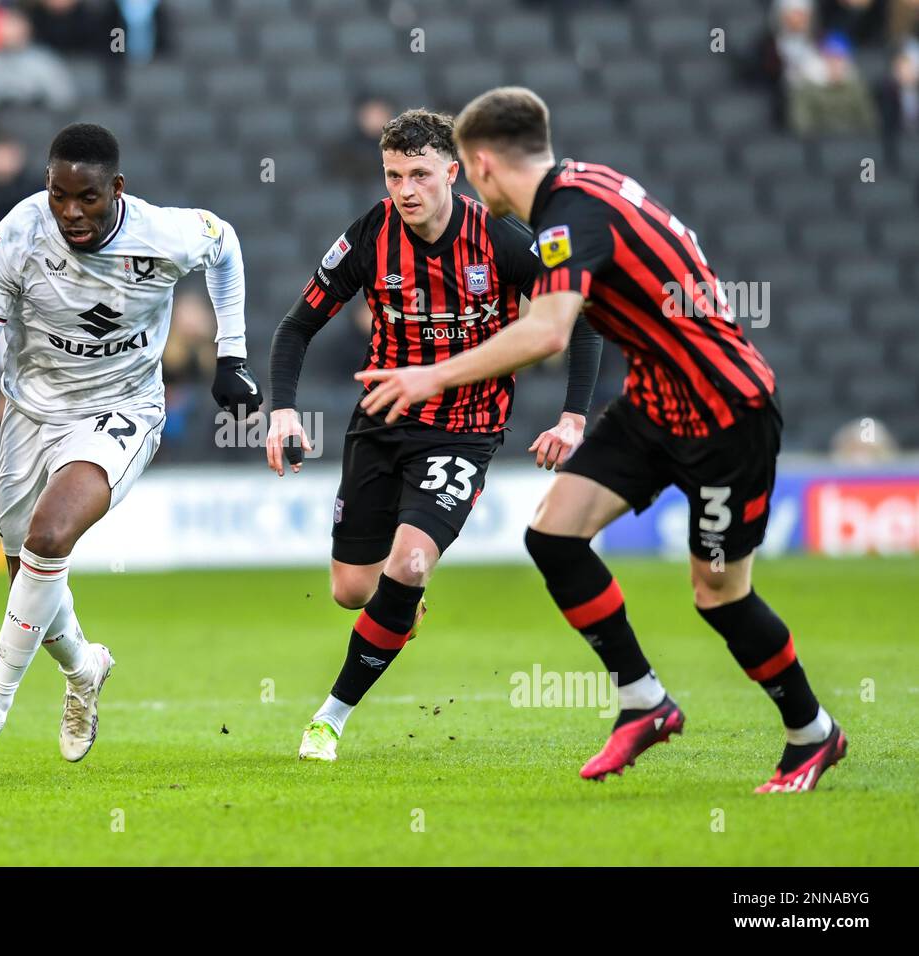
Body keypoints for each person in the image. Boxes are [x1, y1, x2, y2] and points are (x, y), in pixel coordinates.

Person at [359, 87, 846, 793]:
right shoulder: (589, 184)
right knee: (553, 535)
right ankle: (643, 700)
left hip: (723, 413)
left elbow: (549, 330)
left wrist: (432, 377)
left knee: (718, 594)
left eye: (465, 166)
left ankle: (812, 732)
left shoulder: (570, 218)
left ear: (483, 163)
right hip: (654, 402)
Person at [0, 123, 261, 769]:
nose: (71, 211)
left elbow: (226, 246)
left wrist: (231, 353)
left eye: (87, 197)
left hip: (121, 409)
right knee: (27, 578)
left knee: (49, 539)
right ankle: (83, 667)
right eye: (59, 195)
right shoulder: (17, 234)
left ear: (116, 189)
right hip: (30, 412)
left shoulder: (164, 234)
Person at [266, 108, 602, 762]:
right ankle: (401, 608)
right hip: (383, 421)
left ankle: (329, 719)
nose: (406, 189)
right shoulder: (370, 235)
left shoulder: (503, 239)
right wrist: (283, 411)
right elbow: (295, 327)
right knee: (352, 591)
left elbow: (578, 319)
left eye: (420, 173)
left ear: (454, 172)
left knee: (410, 561)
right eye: (394, 175)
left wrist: (572, 416)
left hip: (465, 430)